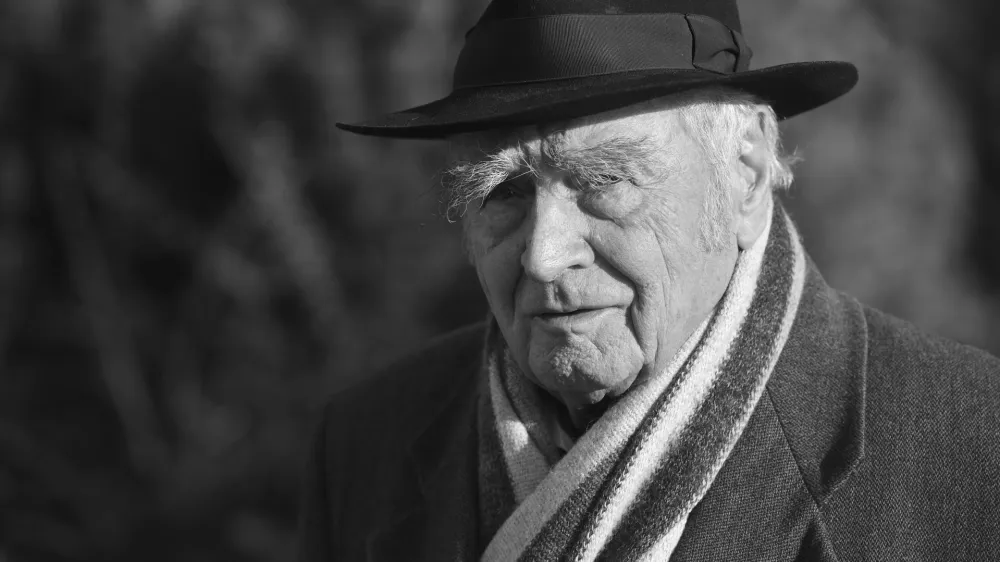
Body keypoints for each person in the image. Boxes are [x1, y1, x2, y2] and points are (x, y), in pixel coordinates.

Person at [298, 1, 1000, 560]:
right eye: (504, 191)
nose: (544, 256)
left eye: (603, 179)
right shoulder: (366, 448)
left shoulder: (970, 447)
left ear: (747, 172)